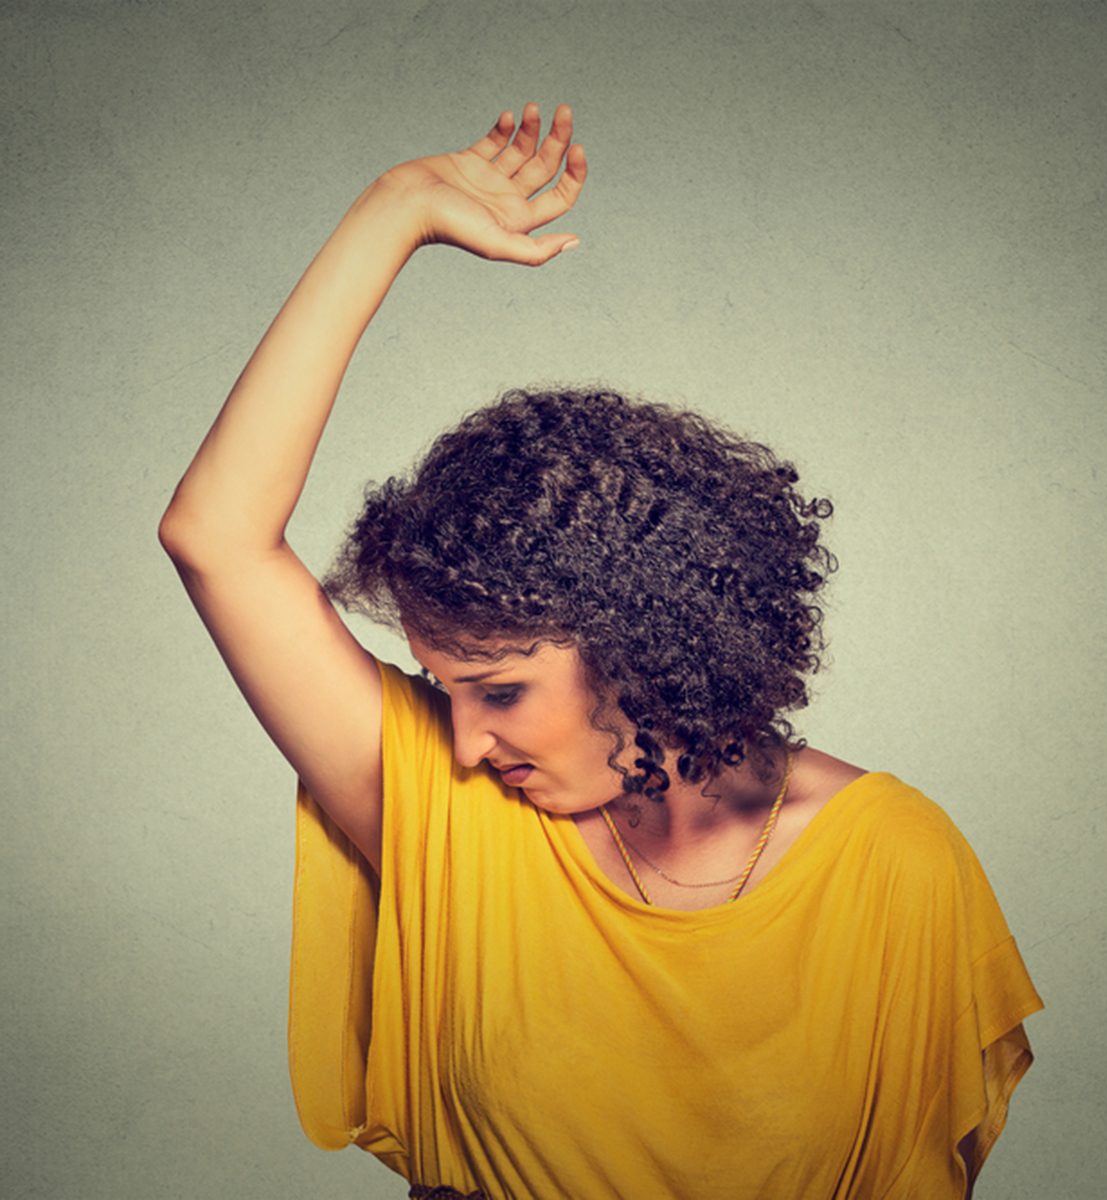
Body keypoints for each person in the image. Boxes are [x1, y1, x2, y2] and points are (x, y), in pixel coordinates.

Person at [159, 102, 1044, 1199]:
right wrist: (397, 209)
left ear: (640, 648)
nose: (468, 742)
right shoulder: (445, 811)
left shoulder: (894, 868)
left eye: (501, 690)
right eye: (447, 690)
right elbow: (217, 537)